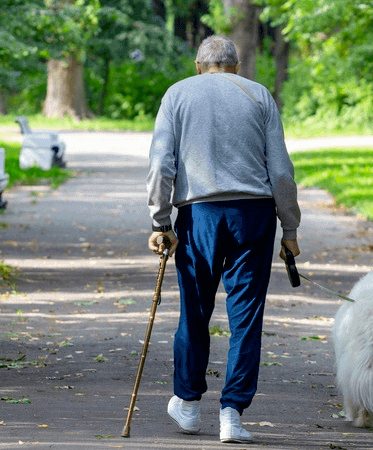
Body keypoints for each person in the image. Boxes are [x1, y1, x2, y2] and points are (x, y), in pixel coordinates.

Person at [146, 34, 301, 444]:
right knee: (246, 318)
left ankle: (189, 404)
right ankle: (232, 414)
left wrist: (161, 222)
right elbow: (281, 171)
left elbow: (162, 163)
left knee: (195, 311)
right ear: (235, 66)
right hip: (254, 216)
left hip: (200, 216)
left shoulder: (177, 94)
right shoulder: (259, 95)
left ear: (199, 65)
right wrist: (290, 229)